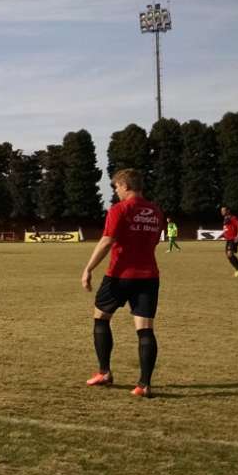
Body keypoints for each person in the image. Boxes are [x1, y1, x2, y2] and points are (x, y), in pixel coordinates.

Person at [81, 169, 162, 398]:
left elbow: (107, 241)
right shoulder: (156, 210)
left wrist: (88, 269)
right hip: (148, 276)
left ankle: (104, 372)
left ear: (125, 185)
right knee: (145, 329)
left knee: (101, 318)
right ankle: (144, 385)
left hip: (119, 275)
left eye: (116, 187)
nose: (116, 191)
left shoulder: (119, 209)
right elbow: (154, 240)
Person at [220, 206, 238, 277]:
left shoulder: (233, 218)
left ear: (228, 211)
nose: (222, 212)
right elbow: (227, 228)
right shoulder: (225, 219)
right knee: (228, 255)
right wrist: (223, 234)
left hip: (233, 239)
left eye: (224, 210)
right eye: (221, 211)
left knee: (230, 253)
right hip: (229, 239)